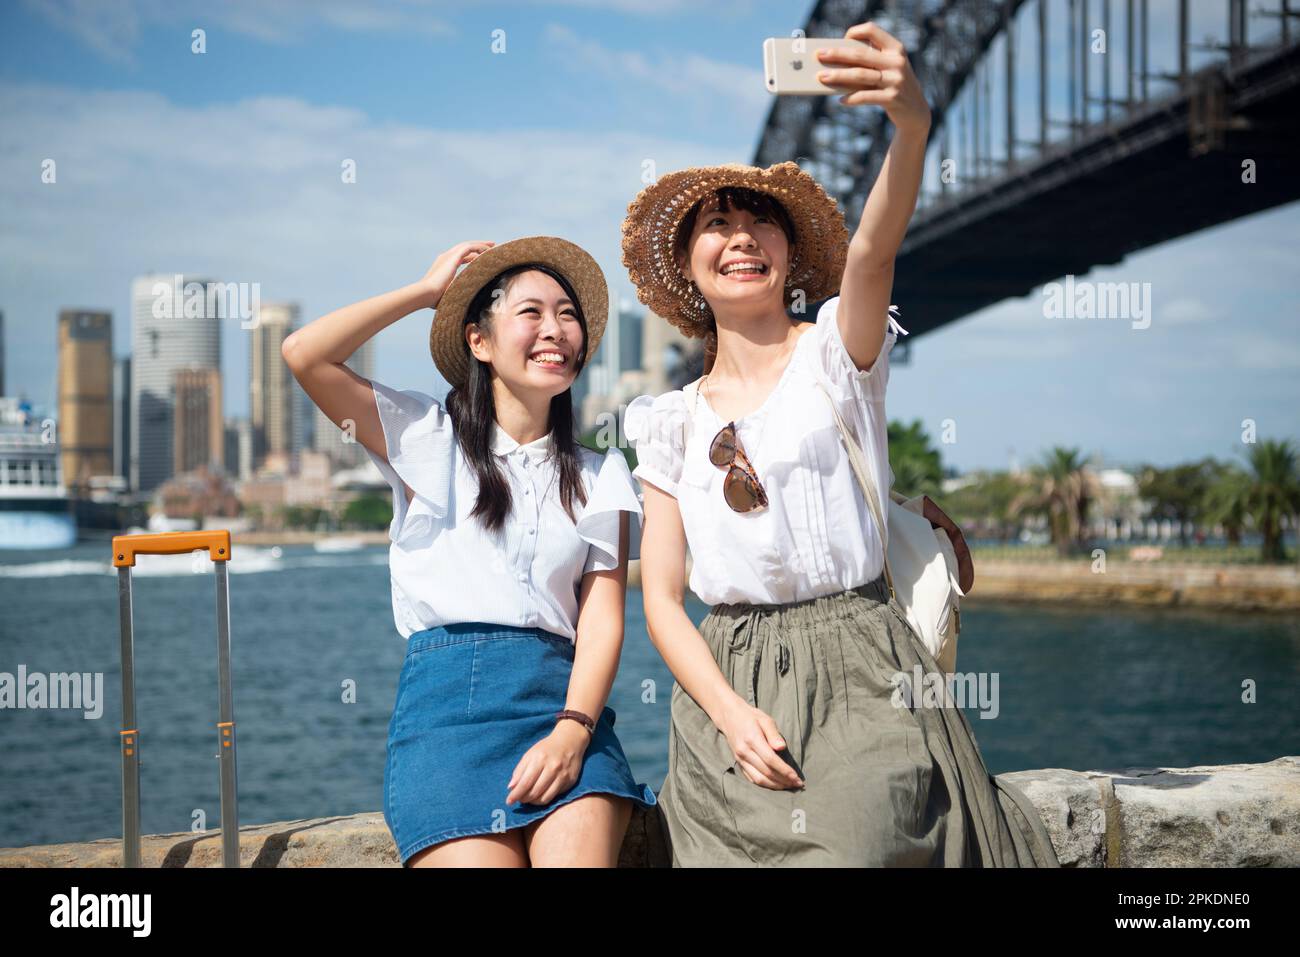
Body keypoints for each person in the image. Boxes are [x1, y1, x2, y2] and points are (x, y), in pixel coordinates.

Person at [621, 22, 1059, 866]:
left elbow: (873, 248)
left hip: (863, 666)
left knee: (863, 846)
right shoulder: (666, 421)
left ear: (789, 256)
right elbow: (664, 600)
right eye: (716, 223)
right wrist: (730, 712)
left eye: (761, 223)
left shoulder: (835, 354)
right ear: (688, 264)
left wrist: (911, 126)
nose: (741, 236)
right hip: (731, 678)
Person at [284, 236, 656, 867]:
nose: (555, 329)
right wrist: (427, 294)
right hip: (446, 723)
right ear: (479, 342)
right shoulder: (427, 440)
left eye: (568, 315)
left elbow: (601, 621)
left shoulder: (601, 475)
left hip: (564, 711)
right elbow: (305, 354)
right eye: (530, 312)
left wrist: (574, 731)